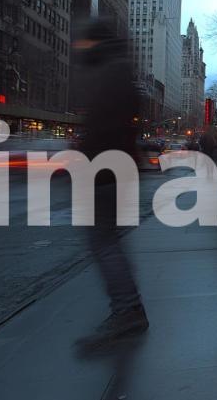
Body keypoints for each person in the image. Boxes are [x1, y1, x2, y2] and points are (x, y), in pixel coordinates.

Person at [73, 17, 148, 350]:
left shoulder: (110, 74)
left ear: (95, 42)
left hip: (106, 171)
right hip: (115, 169)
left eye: (84, 42)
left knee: (104, 241)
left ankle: (127, 309)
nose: (79, 48)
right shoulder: (119, 70)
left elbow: (103, 128)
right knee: (108, 240)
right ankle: (128, 307)